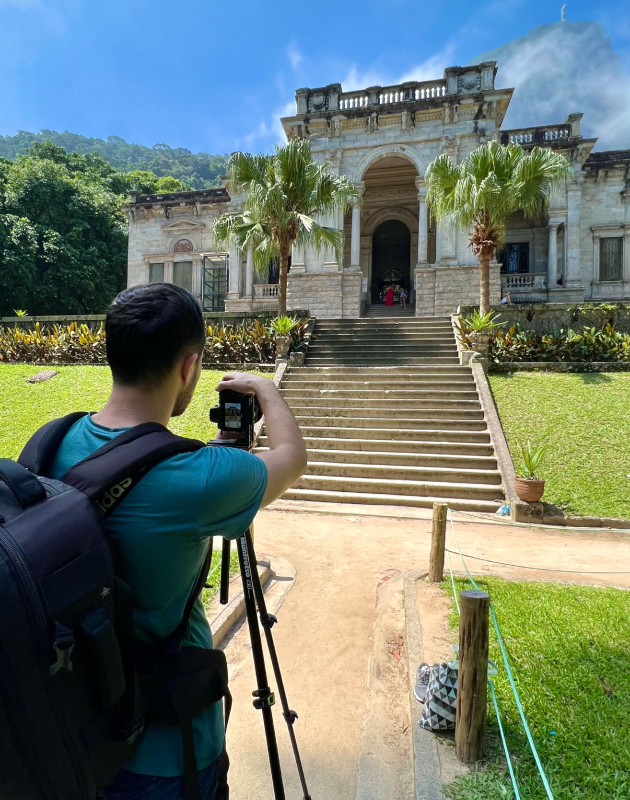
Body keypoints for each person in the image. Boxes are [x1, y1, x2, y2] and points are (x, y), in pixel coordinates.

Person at [48, 283, 307, 800]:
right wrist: (267, 390)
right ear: (189, 367)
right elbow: (292, 458)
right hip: (168, 749)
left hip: (75, 734)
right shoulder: (205, 478)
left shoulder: (53, 439)